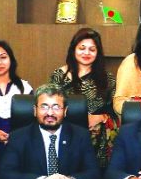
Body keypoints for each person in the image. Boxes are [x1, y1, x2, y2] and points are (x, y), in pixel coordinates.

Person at [0, 84, 100, 179]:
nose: (50, 113)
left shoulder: (80, 135)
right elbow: (5, 175)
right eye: (44, 107)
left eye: (56, 107)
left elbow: (94, 173)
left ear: (65, 111)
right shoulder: (18, 137)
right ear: (35, 110)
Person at [49, 28, 118, 168]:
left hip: (98, 140)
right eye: (82, 48)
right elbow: (51, 106)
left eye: (92, 49)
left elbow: (114, 110)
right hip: (66, 133)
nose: (86, 53)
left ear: (98, 53)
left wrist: (101, 117)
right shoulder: (59, 76)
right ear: (73, 49)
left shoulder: (107, 79)